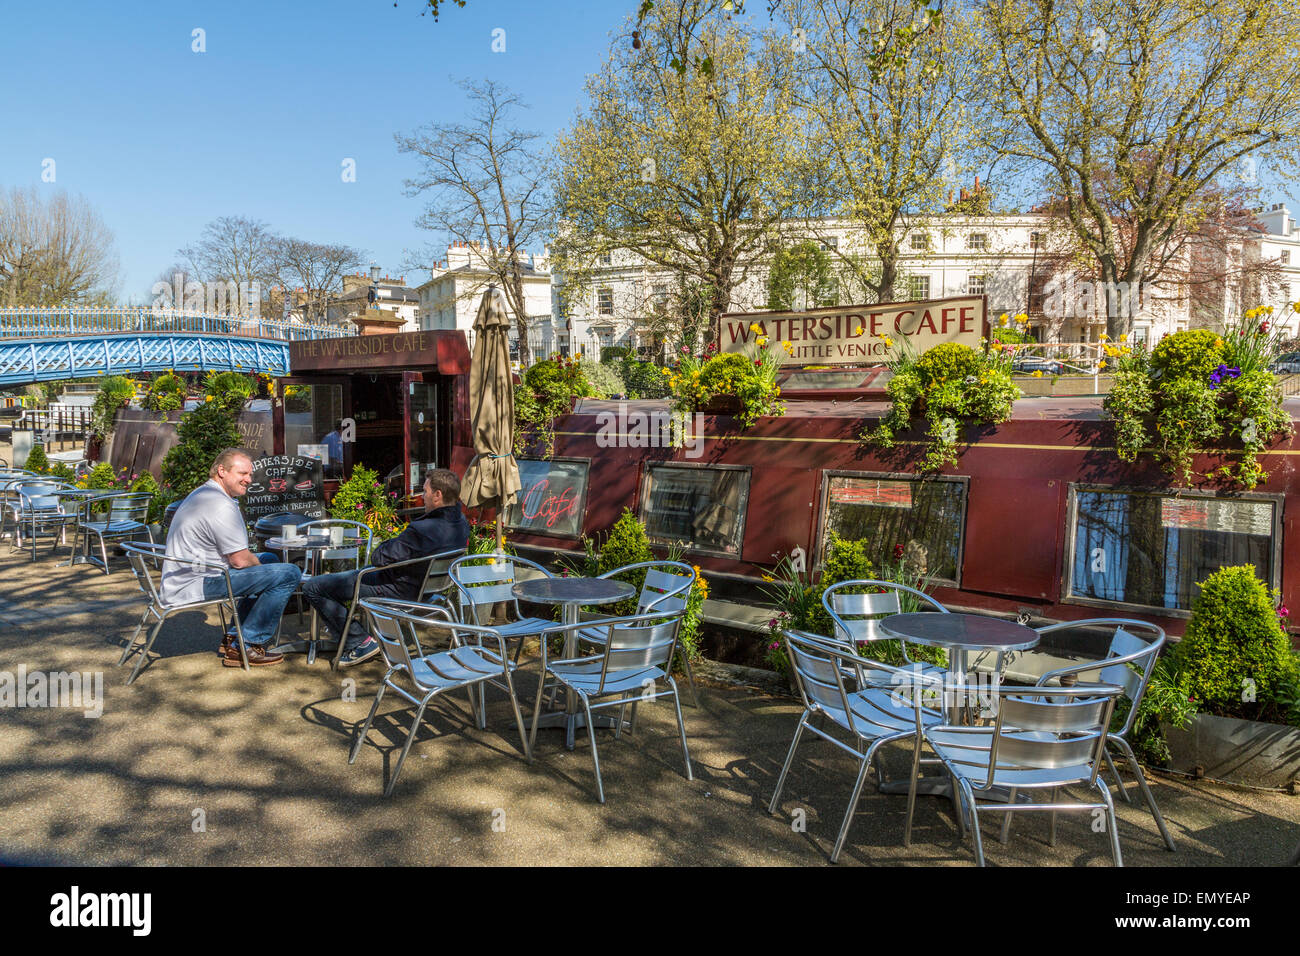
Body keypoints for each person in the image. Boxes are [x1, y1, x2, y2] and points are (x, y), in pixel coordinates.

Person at [302, 467, 469, 667]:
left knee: (313, 587)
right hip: (429, 592)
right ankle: (349, 632)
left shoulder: (422, 529)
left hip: (396, 590)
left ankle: (359, 641)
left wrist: (387, 543)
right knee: (339, 582)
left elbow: (379, 557)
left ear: (438, 495)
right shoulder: (461, 523)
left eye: (425, 491)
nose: (422, 496)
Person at [162, 448, 303, 667]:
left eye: (250, 475)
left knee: (268, 560)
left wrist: (262, 568)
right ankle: (246, 645)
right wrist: (263, 570)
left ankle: (234, 635)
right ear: (221, 471)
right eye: (242, 474)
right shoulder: (220, 504)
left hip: (188, 576)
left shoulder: (203, 494)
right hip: (198, 582)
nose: (248, 480)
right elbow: (240, 561)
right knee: (289, 573)